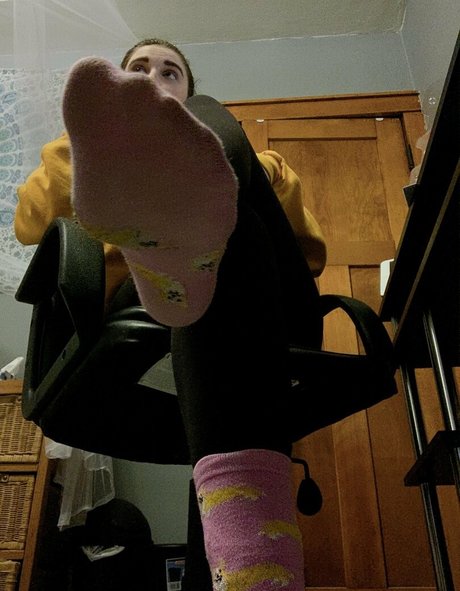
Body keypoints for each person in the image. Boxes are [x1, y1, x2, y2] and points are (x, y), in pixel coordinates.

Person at [15, 39, 327, 591]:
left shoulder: (260, 161)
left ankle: (192, 247)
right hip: (141, 311)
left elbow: (307, 258)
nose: (153, 79)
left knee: (215, 145)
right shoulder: (78, 150)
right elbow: (29, 224)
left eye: (169, 72)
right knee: (218, 213)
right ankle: (256, 572)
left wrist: (234, 165)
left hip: (272, 315)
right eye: (137, 71)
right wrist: (95, 138)